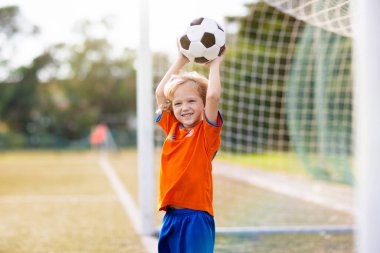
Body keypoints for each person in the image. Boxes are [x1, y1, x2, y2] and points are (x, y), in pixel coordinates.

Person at [155, 45, 226, 253]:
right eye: (178, 103)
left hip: (196, 217)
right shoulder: (172, 127)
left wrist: (215, 64)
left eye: (192, 101)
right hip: (171, 217)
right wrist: (181, 60)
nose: (184, 107)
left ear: (203, 105)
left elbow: (213, 96)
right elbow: (160, 93)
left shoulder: (206, 134)